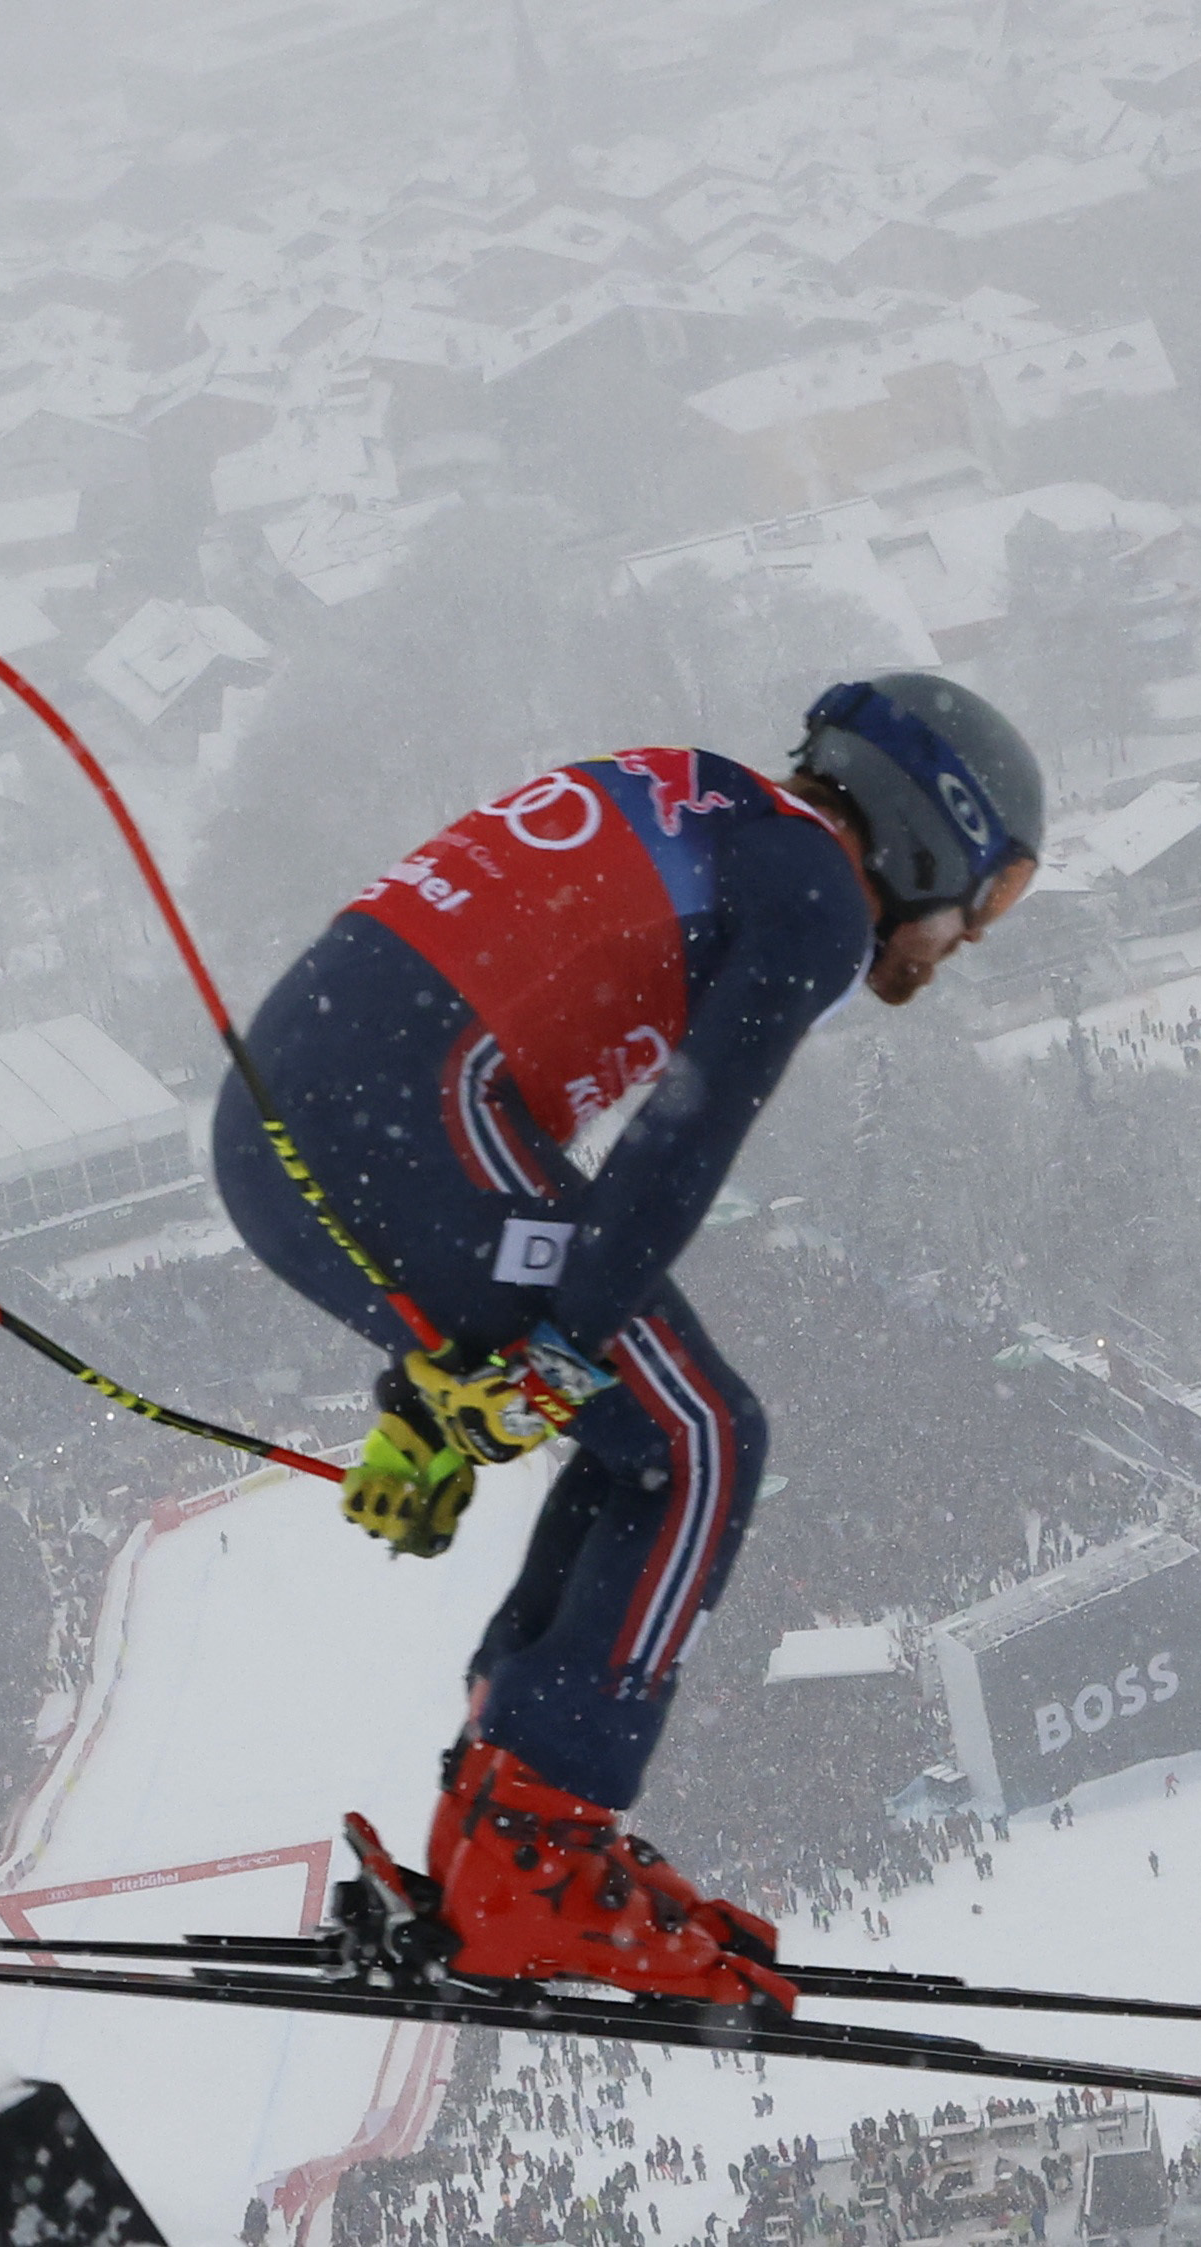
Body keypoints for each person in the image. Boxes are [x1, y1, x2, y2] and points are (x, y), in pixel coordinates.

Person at [215, 675, 1043, 2010]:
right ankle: (530, 1854)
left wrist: (442, 1398)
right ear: (928, 831)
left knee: (642, 1433)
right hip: (410, 1119)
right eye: (988, 896)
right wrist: (556, 1356)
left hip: (307, 1131)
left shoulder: (718, 803)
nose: (971, 938)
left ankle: (508, 1826)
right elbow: (678, 1142)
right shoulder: (817, 888)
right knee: (700, 1440)